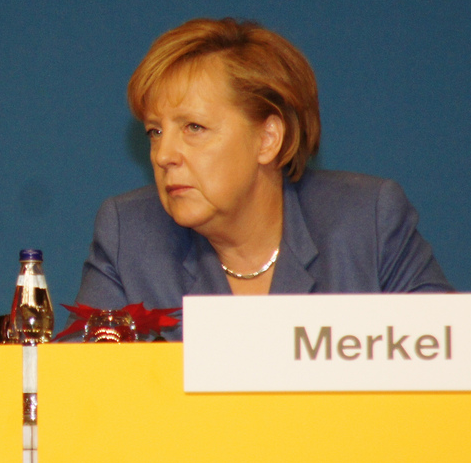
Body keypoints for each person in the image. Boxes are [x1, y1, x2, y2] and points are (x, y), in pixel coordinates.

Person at [74, 18, 450, 337]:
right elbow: (84, 399)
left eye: (193, 127)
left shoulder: (368, 223)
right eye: (155, 132)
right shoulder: (129, 237)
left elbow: (452, 373)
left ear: (268, 139)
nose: (164, 155)